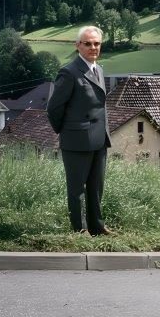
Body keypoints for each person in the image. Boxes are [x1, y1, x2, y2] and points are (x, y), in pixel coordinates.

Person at [47, 25, 113, 236]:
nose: (93, 47)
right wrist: (66, 131)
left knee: (96, 187)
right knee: (77, 189)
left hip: (99, 139)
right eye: (88, 44)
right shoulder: (68, 72)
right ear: (78, 46)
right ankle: (80, 229)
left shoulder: (98, 69)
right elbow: (54, 108)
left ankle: (97, 227)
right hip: (76, 140)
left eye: (97, 43)